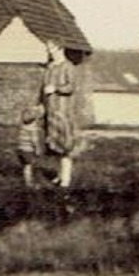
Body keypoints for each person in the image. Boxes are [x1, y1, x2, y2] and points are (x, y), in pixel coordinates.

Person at [41, 39, 79, 189]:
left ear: (60, 49)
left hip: (63, 113)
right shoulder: (50, 68)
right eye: (48, 49)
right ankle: (59, 175)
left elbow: (71, 87)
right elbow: (43, 89)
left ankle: (66, 179)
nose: (50, 52)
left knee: (65, 146)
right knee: (54, 146)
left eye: (52, 49)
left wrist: (55, 88)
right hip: (51, 112)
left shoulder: (68, 66)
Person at [16, 105, 44, 189]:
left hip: (20, 149)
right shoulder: (33, 130)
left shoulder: (22, 126)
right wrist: (38, 149)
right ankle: (29, 184)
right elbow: (34, 141)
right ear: (34, 120)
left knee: (25, 166)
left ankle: (27, 180)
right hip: (28, 150)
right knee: (29, 166)